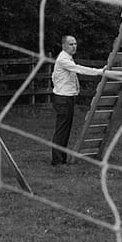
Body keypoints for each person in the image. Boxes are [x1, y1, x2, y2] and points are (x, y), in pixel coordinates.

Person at [48, 34, 106, 165]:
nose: (74, 46)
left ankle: (61, 158)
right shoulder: (63, 59)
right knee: (61, 129)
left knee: (65, 129)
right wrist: (99, 71)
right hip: (63, 99)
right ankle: (57, 160)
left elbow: (57, 76)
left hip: (66, 97)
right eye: (71, 44)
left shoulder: (67, 58)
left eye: (75, 44)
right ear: (63, 46)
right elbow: (79, 69)